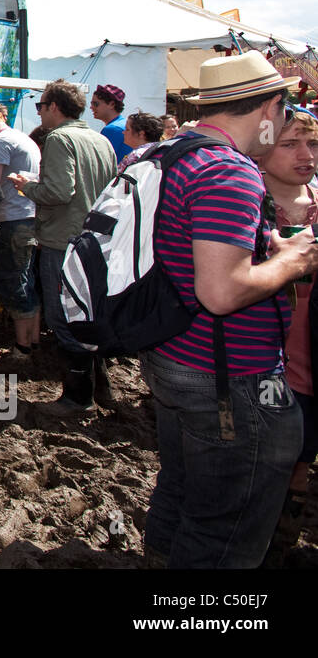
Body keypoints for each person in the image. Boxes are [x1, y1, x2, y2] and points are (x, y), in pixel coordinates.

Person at [141, 52, 316, 568]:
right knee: (226, 528)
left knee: (181, 486)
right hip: (225, 373)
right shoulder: (230, 171)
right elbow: (220, 291)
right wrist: (292, 261)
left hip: (170, 352)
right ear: (270, 108)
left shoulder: (165, 154)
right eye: (286, 117)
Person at [9, 79, 117, 416]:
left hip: (63, 243)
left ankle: (77, 397)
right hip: (95, 244)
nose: (39, 112)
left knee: (64, 318)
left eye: (41, 106)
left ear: (54, 107)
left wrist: (28, 187)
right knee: (89, 314)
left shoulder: (59, 139)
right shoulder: (100, 140)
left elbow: (58, 192)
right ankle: (100, 387)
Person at [257, 108, 318, 564]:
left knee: (304, 450)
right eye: (291, 144)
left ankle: (287, 522)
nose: (306, 155)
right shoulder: (246, 204)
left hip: (311, 356)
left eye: (313, 145)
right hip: (264, 359)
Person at [0, 104, 41, 356]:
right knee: (28, 280)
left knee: (15, 282)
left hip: (12, 219)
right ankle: (33, 340)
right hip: (31, 216)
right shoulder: (25, 139)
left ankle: (22, 347)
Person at [90, 84, 131, 161]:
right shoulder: (124, 124)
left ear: (112, 104)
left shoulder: (112, 129)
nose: (91, 107)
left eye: (95, 104)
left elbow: (100, 161)